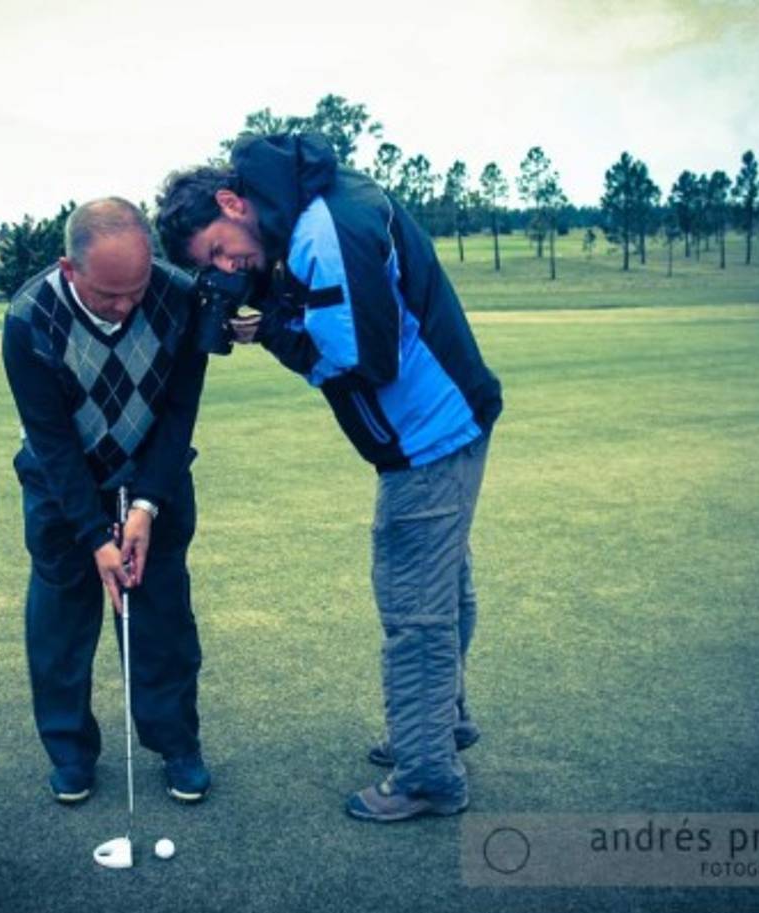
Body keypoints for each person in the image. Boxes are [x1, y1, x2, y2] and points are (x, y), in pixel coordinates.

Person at [156, 134, 502, 822]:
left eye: (222, 247)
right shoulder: (316, 203)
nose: (229, 264)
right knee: (443, 589)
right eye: (214, 265)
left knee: (414, 610)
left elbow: (361, 362)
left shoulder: (321, 231)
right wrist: (268, 293)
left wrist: (276, 329)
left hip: (427, 436)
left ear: (234, 202)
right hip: (450, 418)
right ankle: (443, 725)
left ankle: (428, 774)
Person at [2, 198, 211, 805]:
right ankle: (69, 754)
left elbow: (179, 414)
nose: (125, 307)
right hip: (60, 484)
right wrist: (96, 536)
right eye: (108, 295)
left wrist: (145, 504)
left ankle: (177, 745)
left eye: (136, 290)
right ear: (70, 269)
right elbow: (51, 442)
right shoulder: (29, 318)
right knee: (61, 625)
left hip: (155, 478)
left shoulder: (179, 298)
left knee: (163, 618)